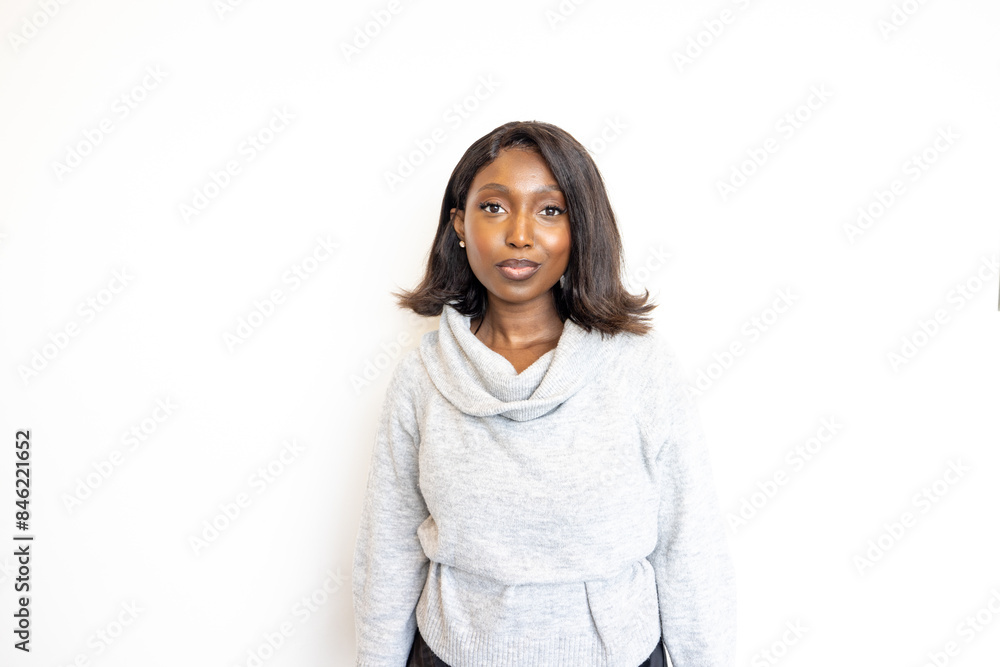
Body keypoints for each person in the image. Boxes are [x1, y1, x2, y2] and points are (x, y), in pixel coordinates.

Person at [352, 120, 736, 667]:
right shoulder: (423, 376)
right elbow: (387, 552)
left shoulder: (639, 368)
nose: (520, 234)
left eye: (550, 210)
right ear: (459, 224)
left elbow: (688, 546)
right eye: (494, 207)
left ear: (581, 229)